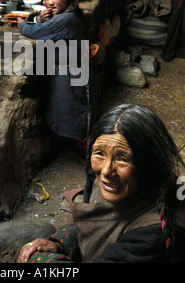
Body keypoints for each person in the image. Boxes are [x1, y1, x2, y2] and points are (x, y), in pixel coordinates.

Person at [17, 104, 185, 263]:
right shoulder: (106, 179)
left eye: (122, 159)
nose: (105, 171)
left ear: (148, 164)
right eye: (99, 154)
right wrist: (58, 244)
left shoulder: (151, 235)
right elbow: (91, 220)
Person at [17, 0, 98, 156]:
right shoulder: (68, 14)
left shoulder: (67, 19)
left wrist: (23, 24)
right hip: (68, 71)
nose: (50, 2)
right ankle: (70, 142)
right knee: (67, 108)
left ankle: (86, 149)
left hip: (73, 75)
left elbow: (36, 32)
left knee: (76, 110)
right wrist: (38, 18)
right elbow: (44, 26)